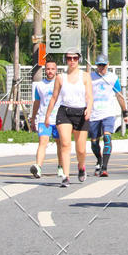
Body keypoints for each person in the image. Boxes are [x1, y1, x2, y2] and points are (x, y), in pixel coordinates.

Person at [45, 50, 93, 187]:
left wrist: (89, 109)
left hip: (81, 113)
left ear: (79, 60)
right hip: (64, 112)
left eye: (75, 58)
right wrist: (47, 116)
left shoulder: (85, 76)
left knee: (81, 149)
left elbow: (90, 96)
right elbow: (54, 97)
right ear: (65, 60)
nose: (72, 61)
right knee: (65, 144)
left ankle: (81, 166)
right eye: (69, 58)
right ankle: (65, 176)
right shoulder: (60, 77)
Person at [89, 54, 128, 176]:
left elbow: (119, 95)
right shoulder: (90, 77)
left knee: (107, 137)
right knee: (94, 142)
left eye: (103, 65)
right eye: (99, 65)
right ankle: (99, 160)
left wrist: (125, 112)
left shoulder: (112, 78)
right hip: (94, 113)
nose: (101, 68)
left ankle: (104, 167)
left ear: (108, 64)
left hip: (108, 113)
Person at [29, 59, 63, 179]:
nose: (50, 71)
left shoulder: (61, 83)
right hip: (44, 118)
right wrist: (33, 118)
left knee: (60, 143)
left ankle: (61, 167)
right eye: (48, 69)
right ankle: (38, 167)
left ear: (56, 70)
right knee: (43, 142)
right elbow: (37, 103)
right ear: (45, 70)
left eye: (52, 69)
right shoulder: (40, 85)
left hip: (59, 118)